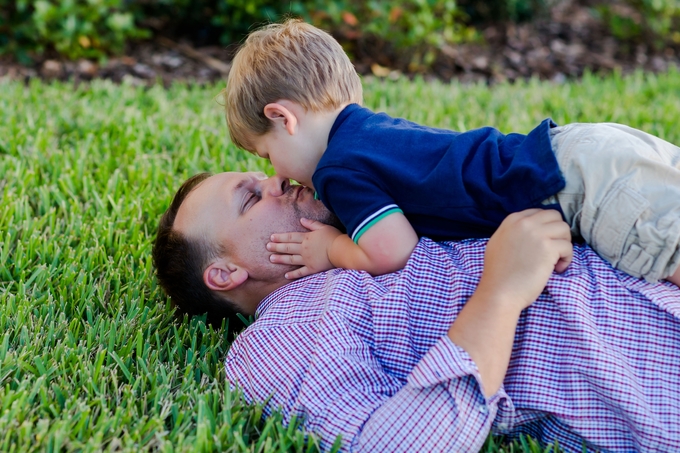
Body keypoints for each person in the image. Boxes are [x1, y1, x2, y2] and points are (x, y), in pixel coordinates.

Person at [152, 171, 680, 452]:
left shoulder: (366, 232)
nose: (277, 179)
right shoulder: (284, 334)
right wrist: (501, 290)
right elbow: (399, 442)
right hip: (650, 369)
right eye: (251, 198)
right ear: (225, 273)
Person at [223, 19, 680, 287]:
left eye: (267, 155)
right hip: (580, 151)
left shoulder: (339, 168)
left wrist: (332, 249)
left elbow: (393, 252)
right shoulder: (368, 130)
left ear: (284, 118)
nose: (278, 175)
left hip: (575, 187)